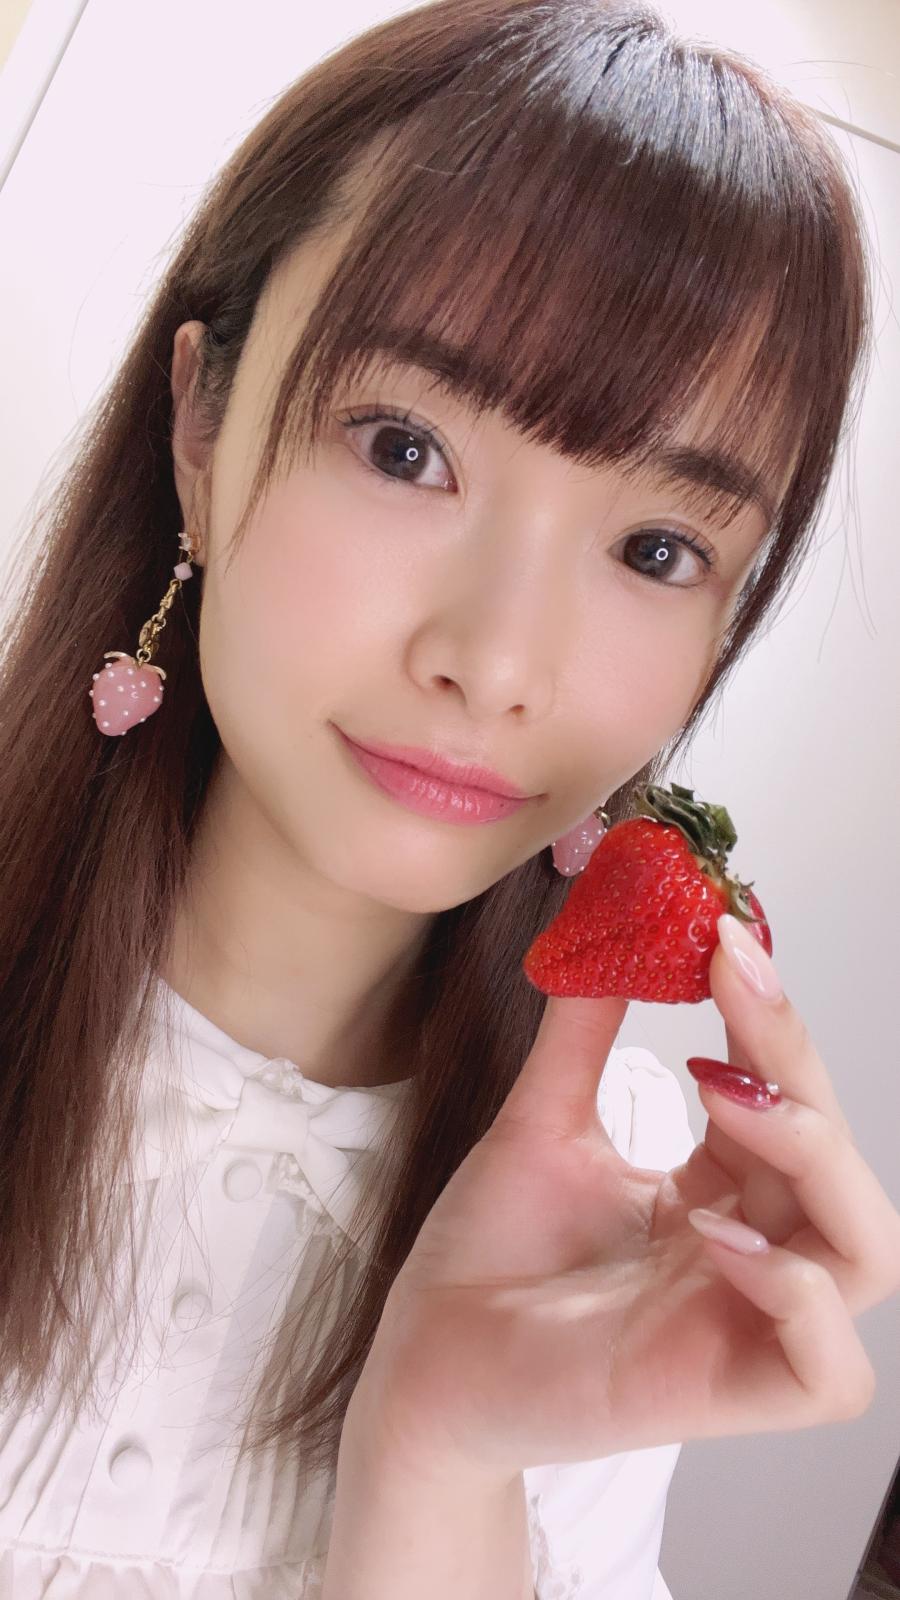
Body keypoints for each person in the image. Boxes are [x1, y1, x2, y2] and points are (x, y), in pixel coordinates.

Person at [1, 0, 898, 1595]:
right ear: (201, 426)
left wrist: (441, 1449)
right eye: (405, 448)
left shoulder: (622, 1184)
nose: (495, 665)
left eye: (658, 548)